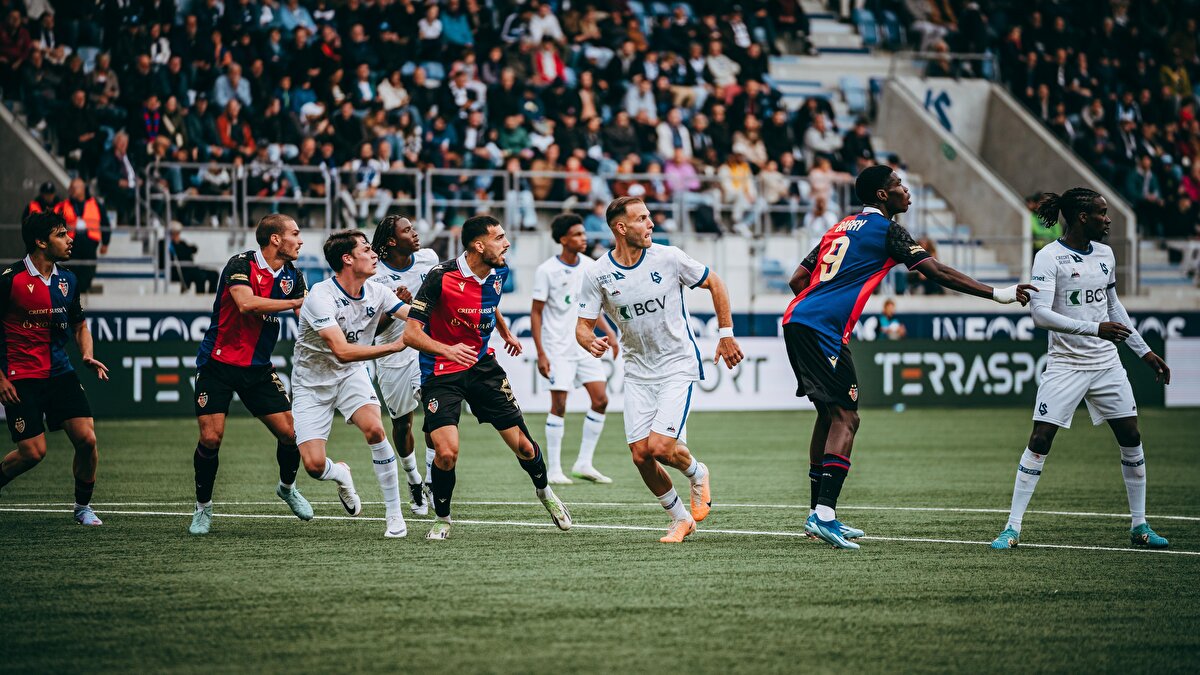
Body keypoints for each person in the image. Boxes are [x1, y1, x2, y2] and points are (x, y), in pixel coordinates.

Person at [783, 165, 1034, 549]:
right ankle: (824, 516)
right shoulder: (887, 230)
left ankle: (818, 512)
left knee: (828, 414)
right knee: (847, 417)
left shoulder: (841, 226)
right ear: (883, 195)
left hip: (798, 320)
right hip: (822, 329)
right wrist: (998, 294)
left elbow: (797, 281)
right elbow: (935, 271)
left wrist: (826, 299)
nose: (906, 190)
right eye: (899, 184)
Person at [990, 188, 1172, 551]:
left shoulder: (1105, 254)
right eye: (1102, 213)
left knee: (1131, 437)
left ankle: (1139, 525)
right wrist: (1094, 328)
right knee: (1040, 440)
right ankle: (1012, 528)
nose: (1108, 219)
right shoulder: (1049, 257)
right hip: (1066, 364)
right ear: (1082, 217)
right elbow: (1040, 314)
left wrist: (1144, 351)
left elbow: (1113, 306)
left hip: (1106, 363)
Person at [575, 197, 743, 543]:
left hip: (677, 364)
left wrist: (725, 334)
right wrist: (587, 340)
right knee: (640, 455)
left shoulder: (669, 257)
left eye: (649, 217)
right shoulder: (596, 273)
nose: (651, 224)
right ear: (621, 228)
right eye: (642, 218)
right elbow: (582, 325)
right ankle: (680, 519)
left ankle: (697, 473)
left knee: (661, 447)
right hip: (637, 371)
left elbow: (716, 283)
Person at [402, 215, 572, 540]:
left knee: (523, 447)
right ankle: (443, 518)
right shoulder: (440, 276)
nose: (506, 243)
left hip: (483, 368)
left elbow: (489, 304)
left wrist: (505, 331)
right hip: (441, 372)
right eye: (499, 238)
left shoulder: (499, 271)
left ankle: (545, 492)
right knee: (447, 453)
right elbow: (411, 334)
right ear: (479, 245)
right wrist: (447, 350)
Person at [188, 214, 310, 535]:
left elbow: (308, 315)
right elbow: (245, 304)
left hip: (257, 369)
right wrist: (296, 302)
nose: (300, 240)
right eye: (295, 234)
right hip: (217, 365)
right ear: (275, 239)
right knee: (211, 438)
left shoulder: (294, 277)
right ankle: (203, 509)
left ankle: (287, 487)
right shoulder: (240, 264)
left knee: (291, 435)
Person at [290, 230, 413, 539]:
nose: (375, 255)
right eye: (367, 250)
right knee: (314, 466)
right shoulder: (320, 297)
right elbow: (342, 351)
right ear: (347, 259)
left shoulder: (378, 292)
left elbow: (414, 316)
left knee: (375, 429)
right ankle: (341, 474)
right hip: (311, 383)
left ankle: (395, 515)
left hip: (350, 375)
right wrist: (394, 346)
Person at [0, 211, 109, 526]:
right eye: (62, 234)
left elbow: (79, 325)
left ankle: (82, 508)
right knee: (32, 453)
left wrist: (86, 354)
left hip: (60, 372)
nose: (70, 239)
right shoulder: (10, 279)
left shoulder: (68, 280)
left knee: (87, 440)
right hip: (21, 377)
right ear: (40, 241)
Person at [531, 213, 619, 485]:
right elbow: (536, 313)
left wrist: (609, 333)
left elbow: (592, 308)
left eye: (584, 233)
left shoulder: (591, 266)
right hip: (557, 348)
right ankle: (555, 470)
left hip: (586, 345)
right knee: (559, 404)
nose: (584, 238)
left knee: (601, 399)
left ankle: (584, 462)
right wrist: (541, 353)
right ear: (563, 239)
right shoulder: (546, 270)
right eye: (578, 234)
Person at [367, 215, 440, 515]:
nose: (415, 233)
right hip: (392, 352)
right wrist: (395, 308)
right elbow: (371, 329)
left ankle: (433, 482)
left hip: (426, 346)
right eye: (407, 230)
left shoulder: (429, 259)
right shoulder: (374, 275)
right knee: (402, 422)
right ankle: (413, 479)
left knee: (435, 408)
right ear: (392, 241)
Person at [57, 178, 112, 294]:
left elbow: (105, 223)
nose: (72, 190)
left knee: (89, 266)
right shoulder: (63, 205)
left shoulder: (96, 204)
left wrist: (105, 243)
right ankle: (72, 290)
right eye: (71, 188)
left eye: (75, 187)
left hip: (90, 241)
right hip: (71, 242)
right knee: (70, 267)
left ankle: (84, 288)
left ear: (82, 189)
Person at [159, 222, 219, 293]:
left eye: (178, 233)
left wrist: (187, 247)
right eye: (175, 233)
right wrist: (174, 243)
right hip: (178, 271)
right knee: (200, 276)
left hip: (190, 267)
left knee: (214, 274)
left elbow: (192, 249)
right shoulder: (164, 244)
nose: (177, 235)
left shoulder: (181, 243)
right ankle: (200, 296)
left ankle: (212, 296)